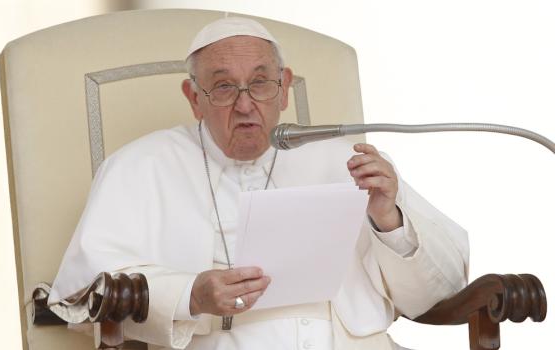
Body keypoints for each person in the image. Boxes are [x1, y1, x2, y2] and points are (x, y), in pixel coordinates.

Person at [49, 17, 469, 350]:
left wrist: (388, 220)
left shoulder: (349, 161)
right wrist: (189, 295)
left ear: (284, 89)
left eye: (261, 83)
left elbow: (442, 290)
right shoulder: (138, 167)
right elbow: (82, 294)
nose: (245, 104)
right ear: (194, 97)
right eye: (224, 86)